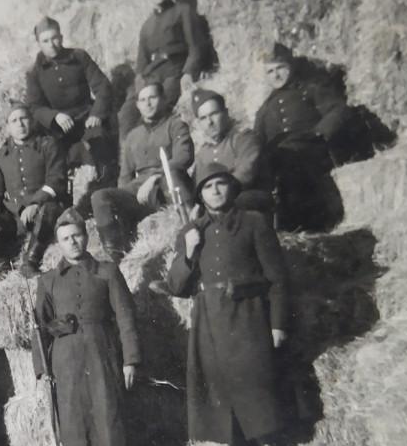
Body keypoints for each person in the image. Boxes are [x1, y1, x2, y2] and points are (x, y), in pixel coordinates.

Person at [160, 162, 292, 446]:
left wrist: (277, 323)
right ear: (200, 195)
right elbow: (176, 286)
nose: (215, 191)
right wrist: (188, 251)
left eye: (220, 184)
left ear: (231, 188)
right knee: (225, 398)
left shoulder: (253, 223)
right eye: (207, 187)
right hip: (210, 321)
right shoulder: (192, 231)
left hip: (248, 317)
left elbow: (277, 278)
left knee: (257, 392)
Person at [34, 208, 141, 446]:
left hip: (101, 355)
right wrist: (42, 371)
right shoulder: (48, 281)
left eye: (77, 235)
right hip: (66, 365)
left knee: (109, 420)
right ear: (58, 243)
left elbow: (125, 318)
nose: (73, 242)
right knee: (78, 429)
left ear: (87, 234)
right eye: (66, 238)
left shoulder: (107, 272)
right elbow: (38, 330)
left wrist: (130, 359)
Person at [91, 80, 194, 262]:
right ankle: (114, 254)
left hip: (167, 185)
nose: (147, 103)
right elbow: (125, 176)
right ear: (137, 105)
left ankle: (191, 227)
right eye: (143, 100)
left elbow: (184, 157)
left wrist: (155, 177)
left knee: (174, 177)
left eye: (152, 97)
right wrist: (122, 200)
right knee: (99, 197)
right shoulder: (133, 136)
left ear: (162, 99)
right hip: (140, 193)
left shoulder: (175, 125)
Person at [23, 16, 116, 210]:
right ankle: (63, 206)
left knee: (99, 142)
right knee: (52, 156)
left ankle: (107, 194)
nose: (52, 45)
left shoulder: (79, 57)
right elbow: (34, 106)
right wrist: (54, 116)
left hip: (86, 118)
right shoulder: (34, 72)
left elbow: (103, 87)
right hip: (59, 127)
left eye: (55, 38)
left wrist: (97, 114)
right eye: (46, 41)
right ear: (39, 43)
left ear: (62, 36)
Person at [253, 43, 349, 231]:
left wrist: (318, 133)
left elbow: (337, 110)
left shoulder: (310, 89)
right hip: (281, 163)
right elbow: (257, 142)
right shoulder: (265, 109)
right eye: (270, 71)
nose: (276, 75)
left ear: (291, 66)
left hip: (311, 152)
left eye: (280, 68)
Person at [117, 0, 210, 137]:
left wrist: (189, 72)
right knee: (126, 116)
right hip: (151, 75)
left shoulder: (183, 11)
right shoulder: (147, 25)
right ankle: (128, 162)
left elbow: (196, 46)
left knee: (158, 108)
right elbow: (141, 63)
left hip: (173, 71)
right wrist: (138, 87)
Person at [0, 102, 68, 277]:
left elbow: (57, 180)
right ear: (8, 127)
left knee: (49, 210)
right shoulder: (2, 155)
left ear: (32, 121)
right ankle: (3, 267)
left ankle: (30, 262)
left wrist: (35, 204)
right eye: (14, 121)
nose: (20, 124)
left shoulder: (48, 145)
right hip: (16, 215)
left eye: (23, 118)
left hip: (44, 209)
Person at [191, 89, 274, 214]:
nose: (209, 122)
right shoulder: (203, 152)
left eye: (214, 114)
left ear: (226, 113)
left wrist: (216, 199)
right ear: (198, 123)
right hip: (219, 202)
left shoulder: (243, 137)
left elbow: (246, 173)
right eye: (203, 118)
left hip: (249, 198)